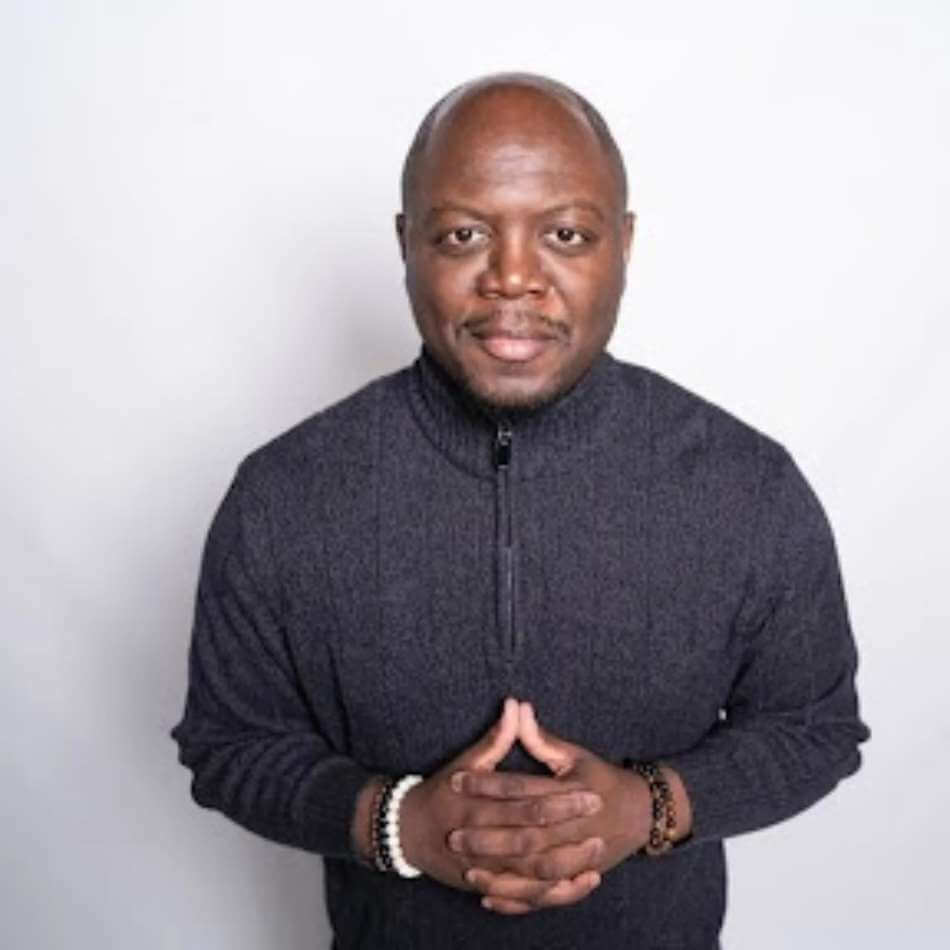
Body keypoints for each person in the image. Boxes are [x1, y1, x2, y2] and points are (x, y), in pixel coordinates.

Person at [170, 73, 869, 949]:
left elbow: (815, 727)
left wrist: (650, 807)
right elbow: (230, 744)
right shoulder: (283, 495)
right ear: (406, 244)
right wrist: (399, 824)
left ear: (624, 245)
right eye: (463, 234)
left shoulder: (748, 485)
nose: (512, 277)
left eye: (565, 234)